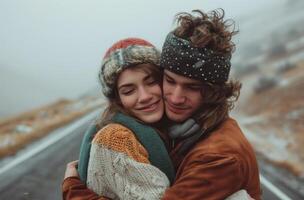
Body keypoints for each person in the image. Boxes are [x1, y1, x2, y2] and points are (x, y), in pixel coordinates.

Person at [62, 9, 261, 200]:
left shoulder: (219, 155)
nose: (175, 98)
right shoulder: (181, 132)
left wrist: (74, 191)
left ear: (213, 92)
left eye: (191, 87)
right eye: (170, 81)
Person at [63, 38, 176, 199]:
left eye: (151, 82)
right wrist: (73, 192)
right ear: (117, 99)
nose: (144, 97)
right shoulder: (115, 139)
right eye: (129, 91)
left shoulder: (176, 129)